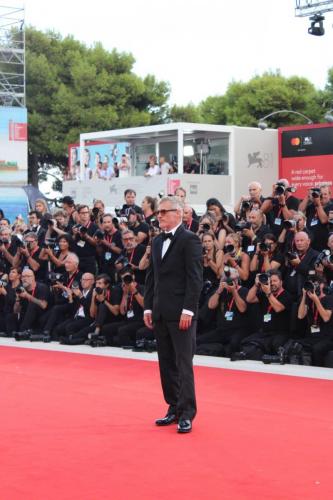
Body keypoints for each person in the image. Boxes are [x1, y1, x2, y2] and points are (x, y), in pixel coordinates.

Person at [144, 196, 203, 434]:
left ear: (178, 213)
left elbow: (195, 278)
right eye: (158, 213)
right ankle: (173, 407)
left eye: (163, 212)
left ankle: (187, 412)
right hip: (160, 311)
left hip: (182, 313)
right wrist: (148, 307)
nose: (159, 216)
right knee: (166, 363)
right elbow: (151, 277)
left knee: (183, 363)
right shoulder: (157, 241)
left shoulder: (191, 240)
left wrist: (188, 309)